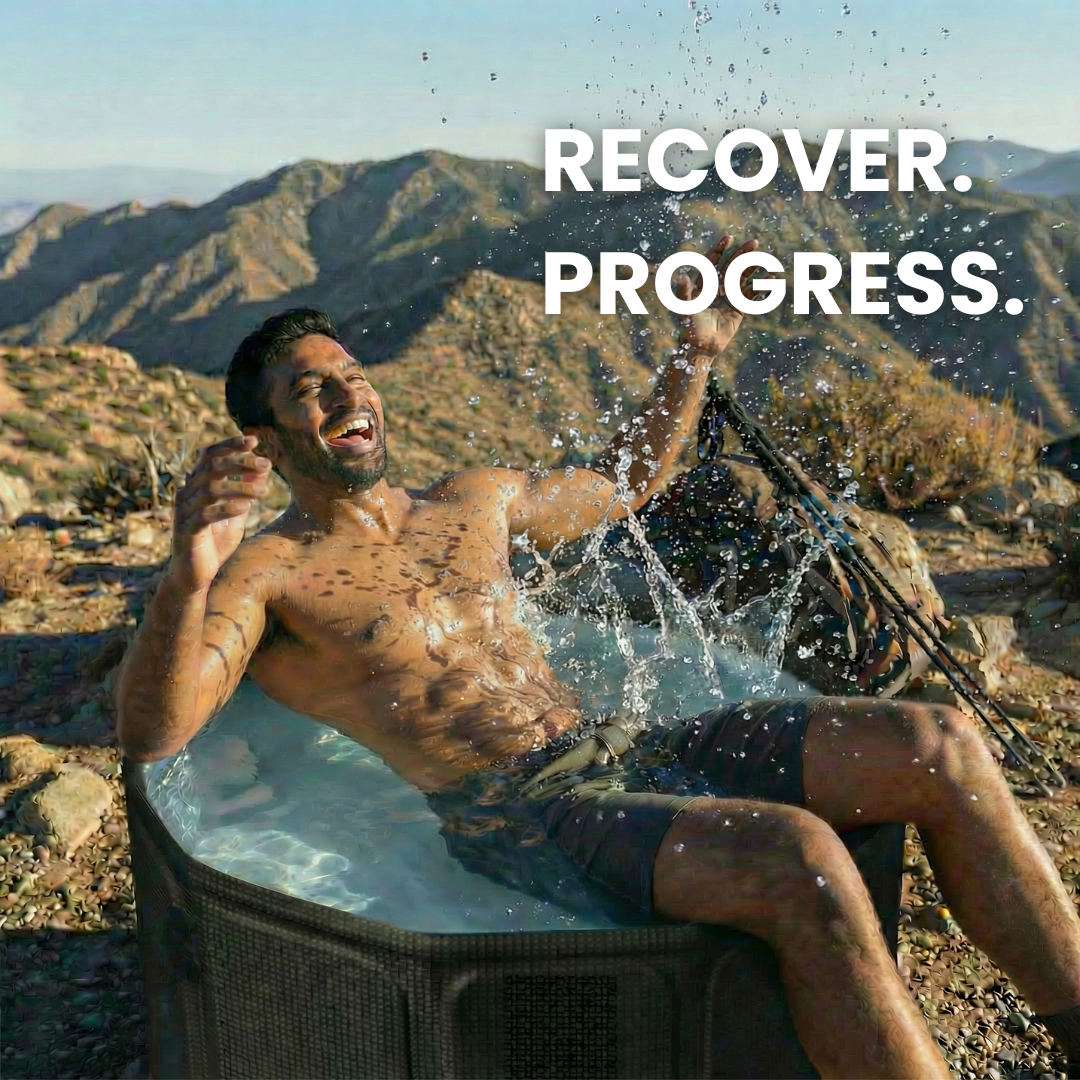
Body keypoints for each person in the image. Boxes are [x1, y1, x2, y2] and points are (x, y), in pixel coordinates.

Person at [116, 237, 1080, 1079]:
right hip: (519, 808)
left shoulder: (474, 498)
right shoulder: (268, 574)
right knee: (800, 857)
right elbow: (156, 731)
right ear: (268, 438)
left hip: (618, 744)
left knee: (938, 742)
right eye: (310, 389)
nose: (348, 392)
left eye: (353, 373)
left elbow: (626, 482)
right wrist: (183, 576)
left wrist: (693, 351)